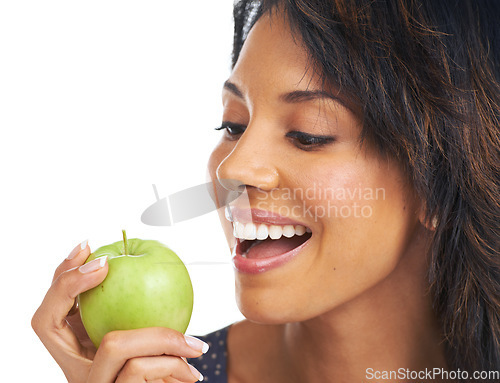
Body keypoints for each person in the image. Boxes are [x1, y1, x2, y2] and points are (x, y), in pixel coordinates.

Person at [32, 0, 499, 382]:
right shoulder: (177, 377)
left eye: (308, 134)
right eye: (233, 124)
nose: (234, 167)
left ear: (439, 183)